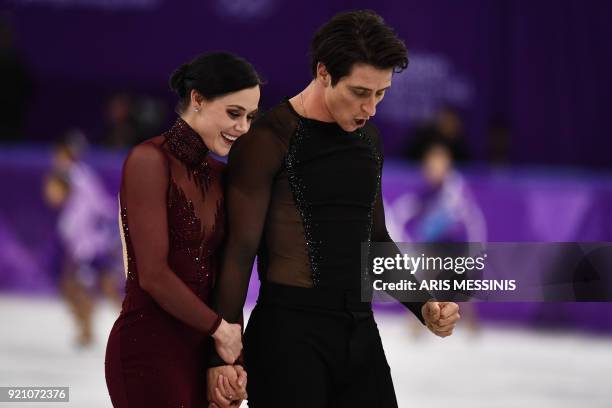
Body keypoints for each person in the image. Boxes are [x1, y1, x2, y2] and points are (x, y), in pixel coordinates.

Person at [207, 10, 461, 408]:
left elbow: (375, 242)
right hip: (287, 337)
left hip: (359, 332)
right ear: (323, 73)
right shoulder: (268, 139)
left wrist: (423, 304)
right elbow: (238, 252)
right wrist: (223, 356)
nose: (370, 108)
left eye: (381, 94)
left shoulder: (368, 141)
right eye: (360, 92)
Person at [104, 52, 260, 408]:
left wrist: (228, 361)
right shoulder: (148, 161)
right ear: (198, 99)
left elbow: (227, 273)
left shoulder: (221, 177)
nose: (243, 128)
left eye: (250, 117)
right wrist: (220, 331)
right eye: (234, 114)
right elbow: (153, 275)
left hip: (200, 354)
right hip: (148, 350)